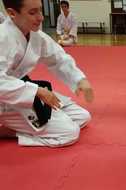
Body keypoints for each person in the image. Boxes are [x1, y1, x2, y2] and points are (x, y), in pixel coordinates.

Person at [0, 0, 94, 147]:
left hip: (24, 91)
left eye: (40, 10)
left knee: (83, 117)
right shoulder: (2, 38)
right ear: (12, 13)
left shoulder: (35, 35)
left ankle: (33, 125)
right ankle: (9, 132)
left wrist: (79, 79)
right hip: (5, 101)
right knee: (70, 133)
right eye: (32, 12)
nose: (41, 17)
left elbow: (58, 58)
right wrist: (37, 90)